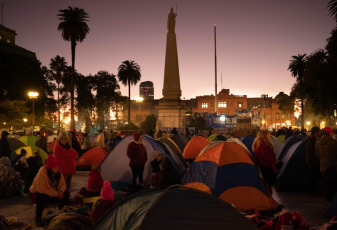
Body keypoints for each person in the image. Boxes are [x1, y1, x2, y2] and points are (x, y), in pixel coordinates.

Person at [29, 154, 68, 227]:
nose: (57, 168)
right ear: (50, 168)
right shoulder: (42, 174)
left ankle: (62, 213)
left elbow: (63, 184)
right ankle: (38, 219)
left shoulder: (58, 173)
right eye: (55, 167)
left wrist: (61, 191)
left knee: (66, 193)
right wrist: (56, 194)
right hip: (38, 193)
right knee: (42, 197)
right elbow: (41, 190)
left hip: (53, 191)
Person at [316, 127, 337, 199]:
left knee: (324, 180)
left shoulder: (318, 142)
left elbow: (317, 154)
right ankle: (330, 195)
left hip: (322, 163)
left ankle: (325, 194)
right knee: (331, 181)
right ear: (329, 133)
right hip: (332, 164)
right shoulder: (334, 142)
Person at [305, 126, 321, 192]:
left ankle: (312, 188)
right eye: (319, 131)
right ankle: (313, 189)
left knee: (312, 175)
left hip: (311, 160)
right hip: (313, 161)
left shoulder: (310, 139)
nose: (319, 133)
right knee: (313, 175)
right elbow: (313, 152)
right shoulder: (312, 141)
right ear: (316, 132)